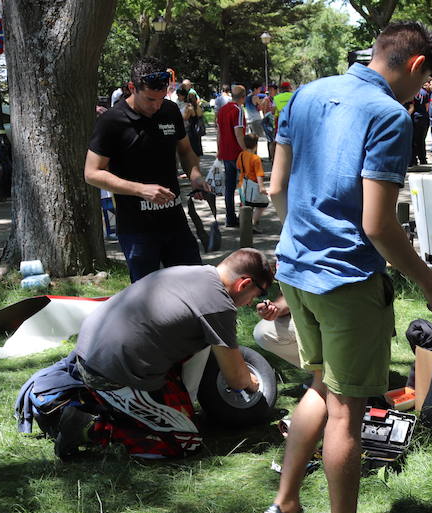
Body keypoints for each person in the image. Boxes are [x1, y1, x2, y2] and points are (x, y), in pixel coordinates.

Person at [256, 21, 432, 513]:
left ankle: (285, 509)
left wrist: (305, 239)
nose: (422, 94)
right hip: (346, 280)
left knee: (319, 388)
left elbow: (276, 189)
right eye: (426, 83)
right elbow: (378, 225)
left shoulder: (305, 95)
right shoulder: (391, 115)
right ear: (416, 66)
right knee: (347, 410)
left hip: (296, 270)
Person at [60, 248, 273, 458]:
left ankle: (117, 406)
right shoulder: (219, 304)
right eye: (258, 293)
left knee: (203, 346)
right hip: (110, 374)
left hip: (92, 351)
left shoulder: (196, 273)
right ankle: (90, 428)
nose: (252, 302)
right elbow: (236, 380)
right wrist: (252, 382)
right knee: (185, 442)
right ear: (244, 283)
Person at [84, 56, 209, 282]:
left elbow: (186, 151)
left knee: (194, 286)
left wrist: (195, 176)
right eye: (150, 99)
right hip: (136, 229)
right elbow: (92, 173)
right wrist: (141, 190)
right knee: (146, 300)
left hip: (175, 222)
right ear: (133, 88)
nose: (156, 106)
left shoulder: (170, 111)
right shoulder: (112, 121)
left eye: (161, 98)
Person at [217, 84, 247, 228]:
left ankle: (230, 217)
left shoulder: (222, 110)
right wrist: (246, 150)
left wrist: (219, 149)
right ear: (243, 97)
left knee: (229, 186)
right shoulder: (238, 110)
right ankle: (245, 216)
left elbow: (219, 132)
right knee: (243, 184)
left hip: (225, 152)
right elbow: (238, 132)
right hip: (237, 152)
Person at [236, 133, 267, 233]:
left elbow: (238, 166)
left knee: (245, 204)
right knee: (262, 204)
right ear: (256, 145)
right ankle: (253, 223)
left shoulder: (241, 155)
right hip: (252, 185)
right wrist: (262, 187)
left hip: (242, 184)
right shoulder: (255, 158)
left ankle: (243, 222)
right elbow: (259, 174)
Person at [183, 92, 204, 157]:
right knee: (197, 148)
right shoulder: (198, 107)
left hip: (191, 129)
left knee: (191, 149)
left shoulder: (189, 108)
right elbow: (200, 116)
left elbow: (185, 118)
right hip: (197, 130)